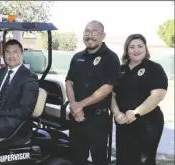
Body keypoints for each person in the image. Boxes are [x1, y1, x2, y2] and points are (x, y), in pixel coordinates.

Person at [65, 20, 121, 165]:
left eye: (94, 32)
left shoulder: (111, 58)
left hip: (98, 119)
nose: (90, 35)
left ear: (103, 35)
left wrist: (80, 105)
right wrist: (74, 106)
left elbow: (108, 87)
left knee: (99, 160)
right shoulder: (77, 57)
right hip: (77, 117)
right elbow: (69, 82)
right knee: (76, 158)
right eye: (87, 32)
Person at [111, 34, 168, 165]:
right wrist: (117, 113)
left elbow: (158, 95)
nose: (136, 50)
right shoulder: (120, 70)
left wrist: (136, 112)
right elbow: (111, 95)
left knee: (144, 161)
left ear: (146, 49)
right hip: (123, 122)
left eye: (140, 46)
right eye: (132, 47)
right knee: (124, 159)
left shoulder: (154, 69)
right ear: (127, 50)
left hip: (148, 124)